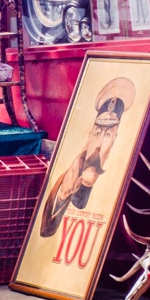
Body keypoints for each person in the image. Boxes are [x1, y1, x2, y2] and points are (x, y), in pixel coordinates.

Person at [39, 76, 137, 237]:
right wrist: (65, 190)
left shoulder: (115, 179)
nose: (99, 145)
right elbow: (46, 226)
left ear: (115, 139)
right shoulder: (69, 171)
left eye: (107, 136)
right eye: (97, 133)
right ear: (90, 135)